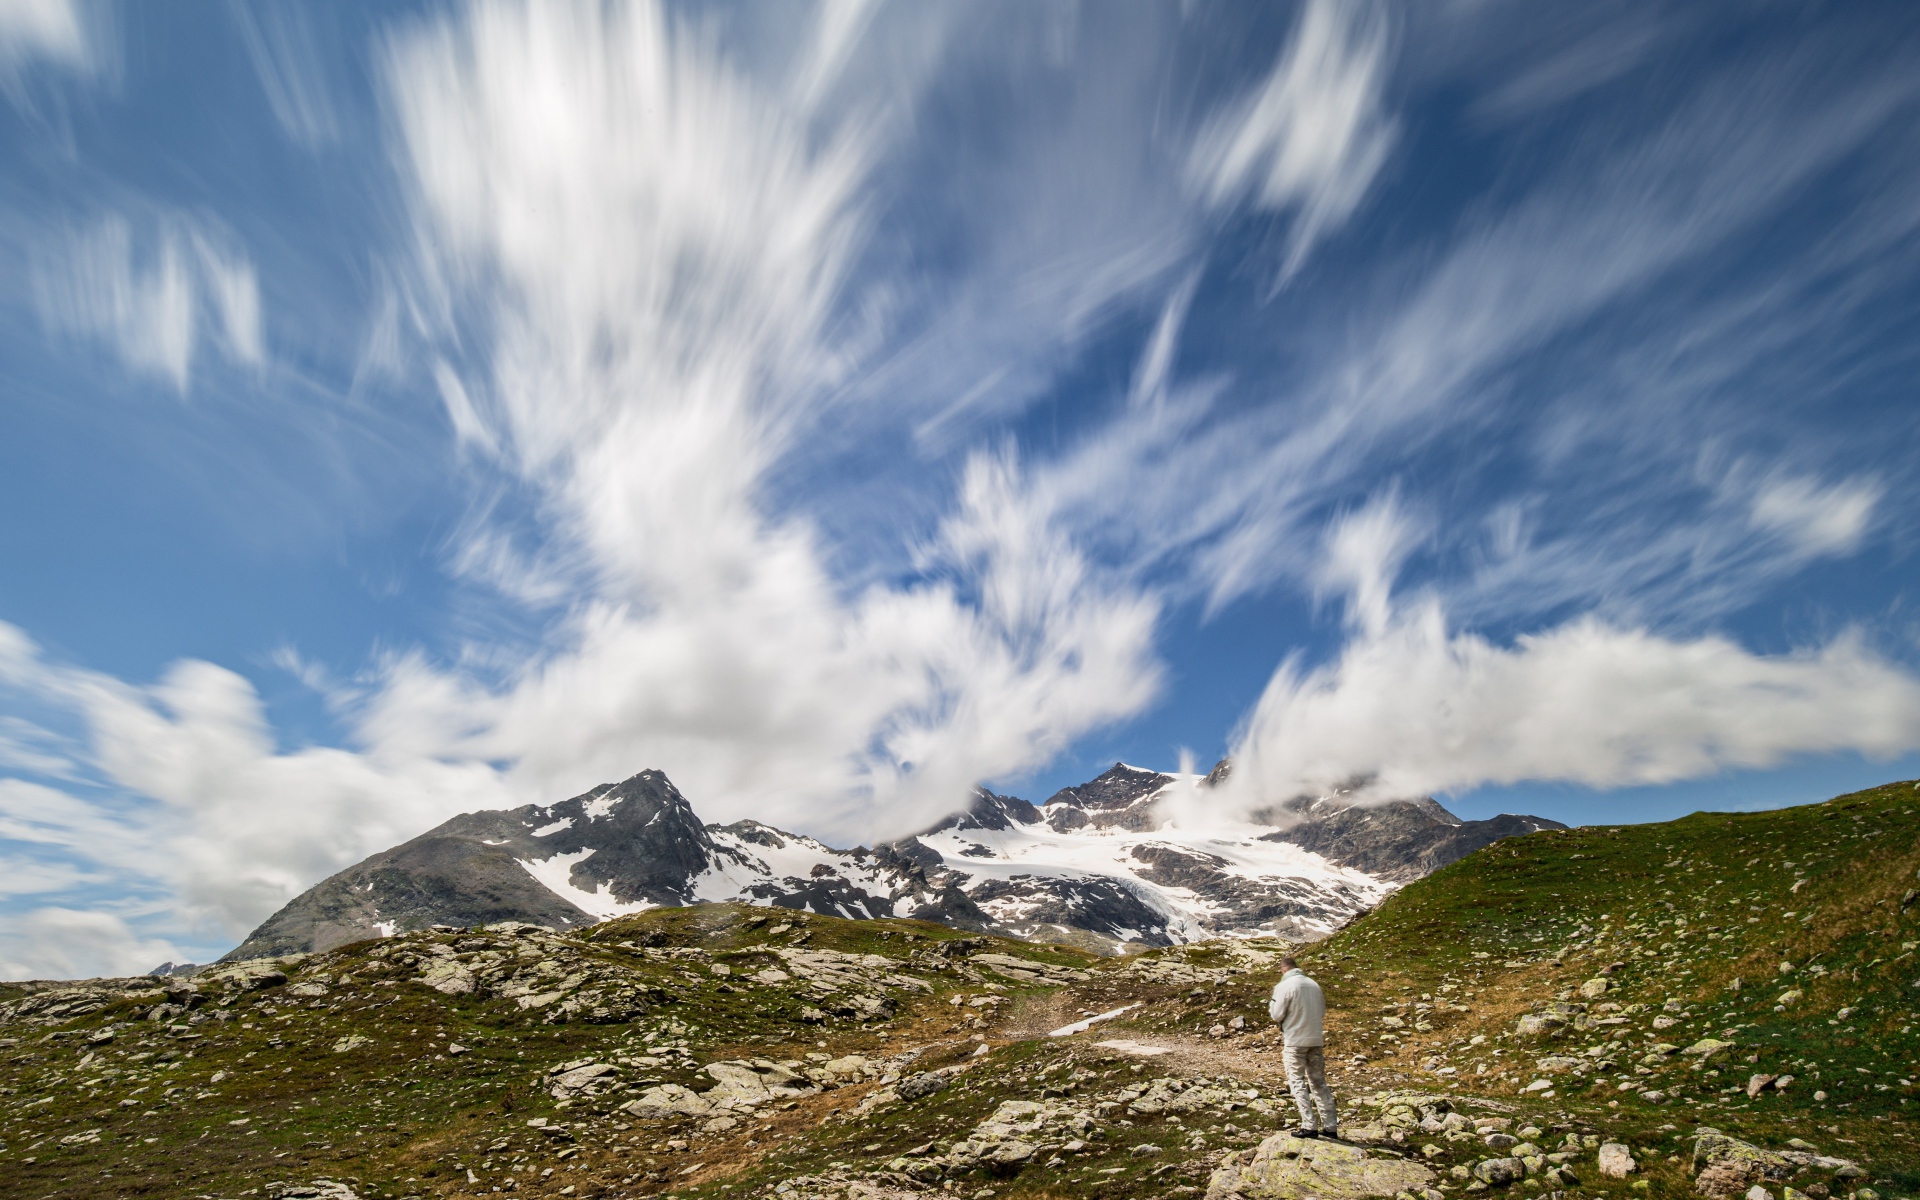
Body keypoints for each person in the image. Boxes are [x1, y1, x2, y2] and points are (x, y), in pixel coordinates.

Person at [1268, 954, 1337, 1139]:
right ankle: (1330, 1126)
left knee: (1297, 1081)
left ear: (1283, 969)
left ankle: (1309, 1125)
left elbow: (1276, 1014)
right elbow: (1322, 1010)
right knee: (1318, 1082)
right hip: (1315, 1039)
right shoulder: (1314, 985)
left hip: (1294, 1041)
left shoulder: (1284, 986)